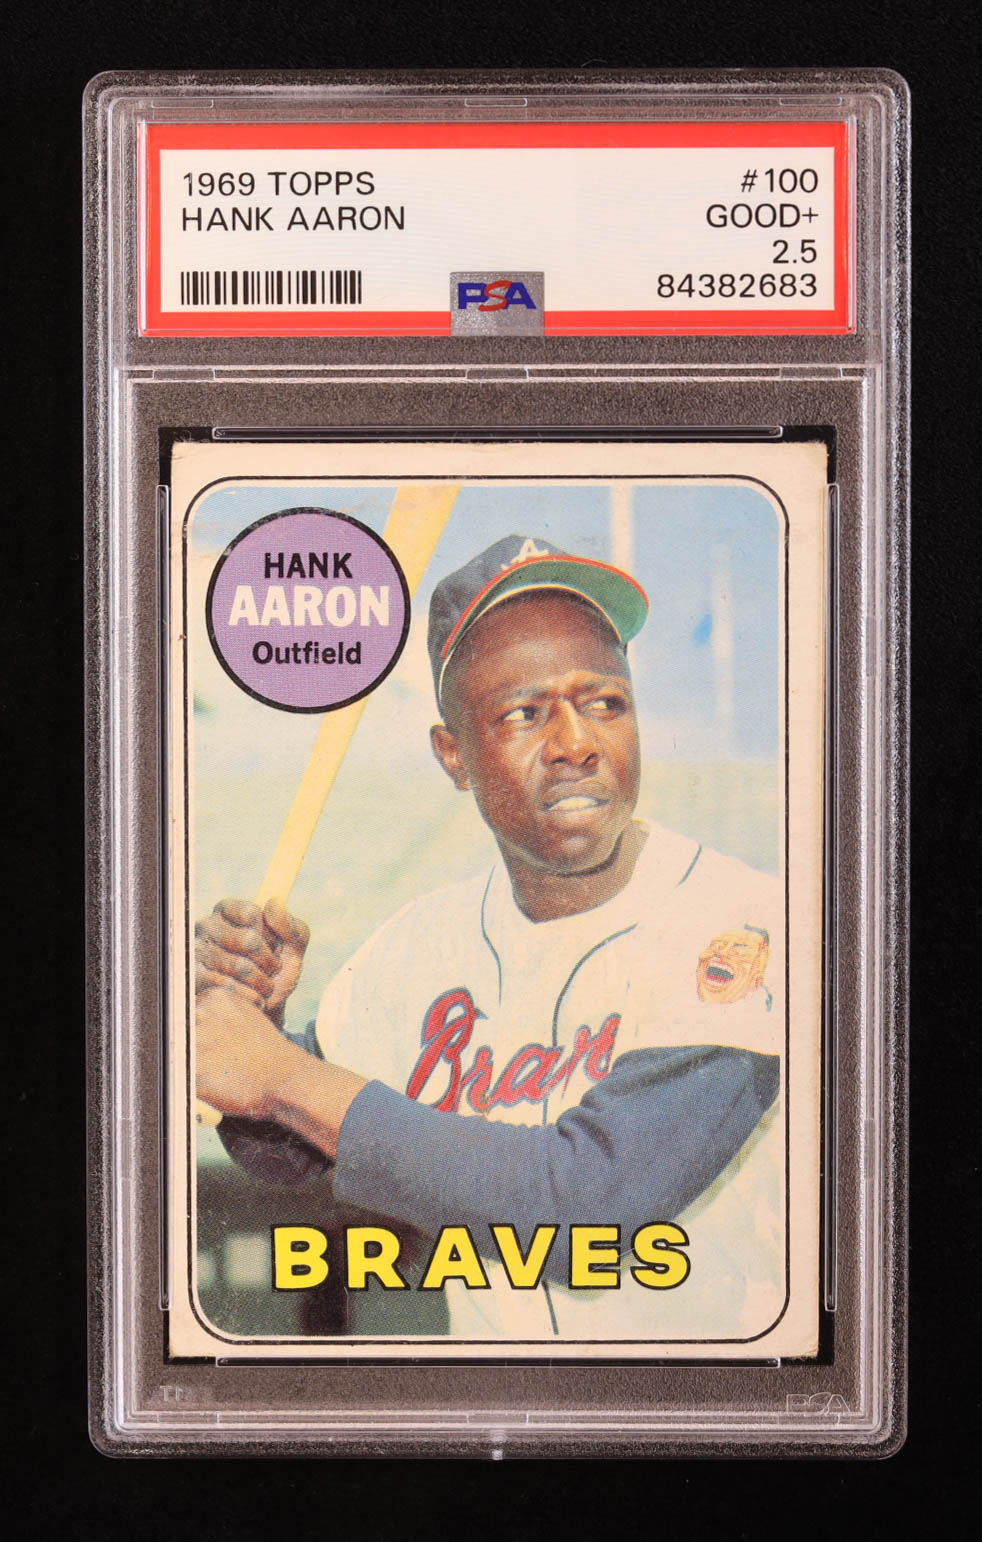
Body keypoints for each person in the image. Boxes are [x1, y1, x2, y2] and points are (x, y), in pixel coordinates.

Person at [195, 534, 784, 1343]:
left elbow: (590, 1209)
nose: (577, 742)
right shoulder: (417, 946)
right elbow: (291, 1151)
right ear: (454, 756)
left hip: (703, 1402)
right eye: (524, 714)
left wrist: (282, 1075)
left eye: (605, 703)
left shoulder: (738, 920)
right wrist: (250, 1024)